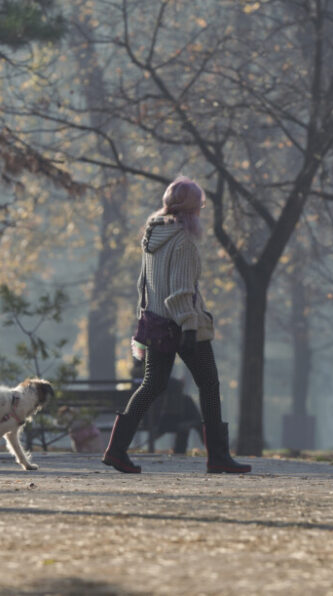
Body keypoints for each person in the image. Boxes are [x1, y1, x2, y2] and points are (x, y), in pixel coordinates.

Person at [102, 176, 250, 474]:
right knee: (209, 386)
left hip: (156, 323)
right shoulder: (183, 240)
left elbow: (143, 284)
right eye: (200, 207)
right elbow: (180, 290)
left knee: (151, 385)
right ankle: (218, 457)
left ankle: (116, 450)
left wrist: (144, 317)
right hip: (183, 324)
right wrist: (190, 327)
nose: (201, 213)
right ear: (193, 210)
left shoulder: (152, 237)